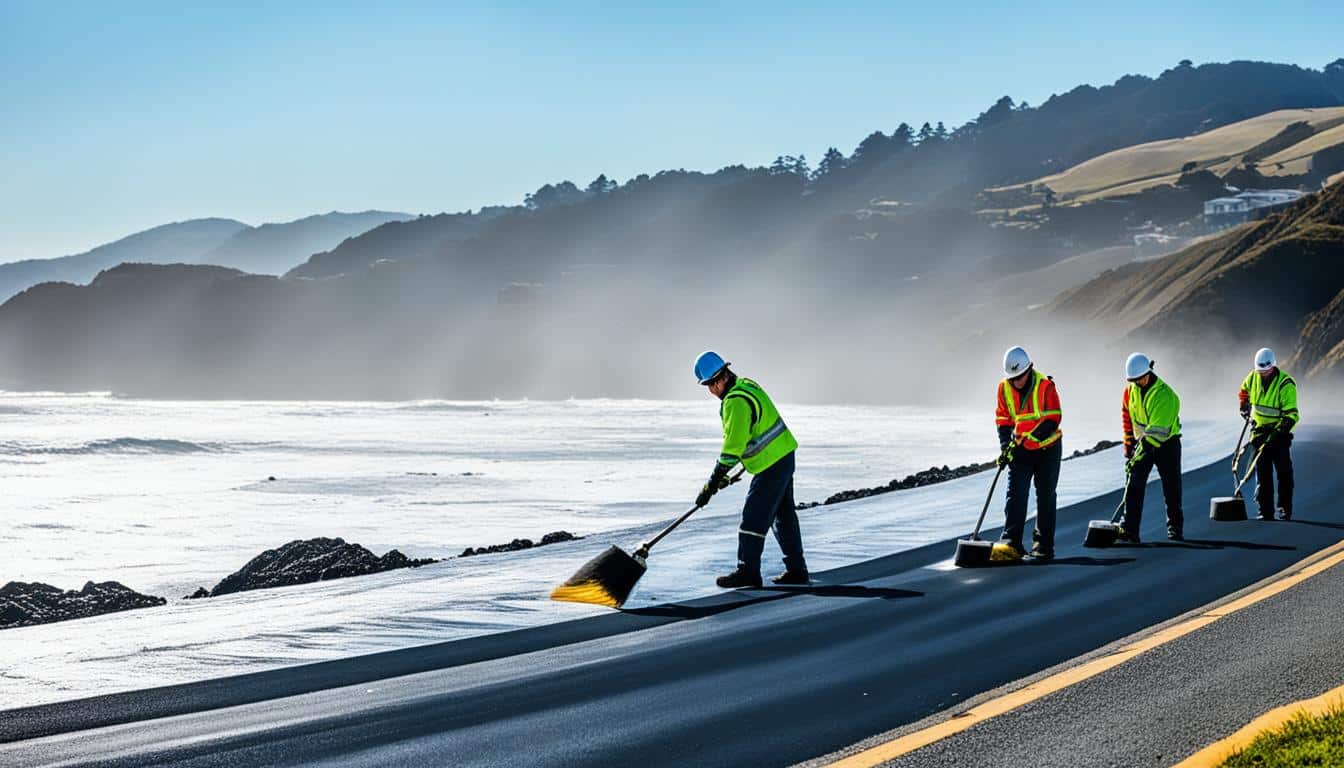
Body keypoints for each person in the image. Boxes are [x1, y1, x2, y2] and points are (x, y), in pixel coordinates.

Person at [693, 351, 808, 588]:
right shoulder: (747, 385)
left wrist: (711, 484)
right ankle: (797, 570)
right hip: (784, 454)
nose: (710, 391)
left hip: (772, 464)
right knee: (784, 516)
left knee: (752, 518)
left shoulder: (735, 401)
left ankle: (748, 571)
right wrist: (726, 478)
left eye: (708, 385)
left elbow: (732, 449)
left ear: (718, 380)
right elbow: (753, 435)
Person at [993, 346, 1062, 561]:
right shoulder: (1004, 388)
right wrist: (1006, 446)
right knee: (1016, 493)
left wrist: (1030, 438)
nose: (1017, 382)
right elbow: (1004, 420)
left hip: (1047, 449)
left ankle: (1043, 546)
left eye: (1020, 377)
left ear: (1029, 369)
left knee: (1045, 495)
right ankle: (1011, 543)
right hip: (1021, 450)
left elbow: (1053, 418)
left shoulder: (1045, 386)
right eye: (1013, 378)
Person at [1118, 353, 1183, 542]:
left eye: (1141, 378)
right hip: (1143, 444)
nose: (1139, 383)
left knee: (1171, 487)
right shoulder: (1130, 391)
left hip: (1166, 444)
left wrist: (1138, 456)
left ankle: (1175, 528)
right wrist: (1129, 444)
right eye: (1135, 380)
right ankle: (1130, 530)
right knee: (1134, 485)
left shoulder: (1165, 395)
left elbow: (1156, 435)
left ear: (1149, 371)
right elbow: (1126, 416)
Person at [1240, 347, 1300, 521]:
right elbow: (1244, 390)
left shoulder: (1285, 384)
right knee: (1263, 472)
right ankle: (1265, 510)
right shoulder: (1253, 377)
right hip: (1259, 431)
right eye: (1261, 371)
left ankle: (1284, 508)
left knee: (1284, 472)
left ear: (1273, 367)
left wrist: (1280, 431)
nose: (1263, 374)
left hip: (1279, 433)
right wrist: (1244, 405)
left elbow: (1292, 414)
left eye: (1266, 371)